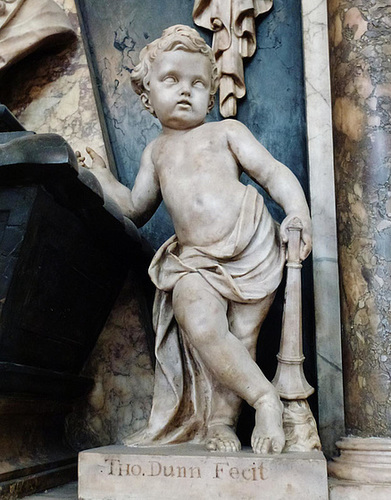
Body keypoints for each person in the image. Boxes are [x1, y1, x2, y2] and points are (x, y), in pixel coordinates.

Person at [77, 24, 311, 454]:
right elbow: (134, 206)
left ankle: (222, 423)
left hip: (251, 245)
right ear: (147, 96)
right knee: (203, 325)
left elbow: (273, 172)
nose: (186, 91)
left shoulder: (226, 132)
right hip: (194, 262)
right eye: (172, 80)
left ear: (211, 92)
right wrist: (105, 178)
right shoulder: (156, 152)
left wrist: (297, 212)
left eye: (198, 83)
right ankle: (265, 399)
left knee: (241, 339)